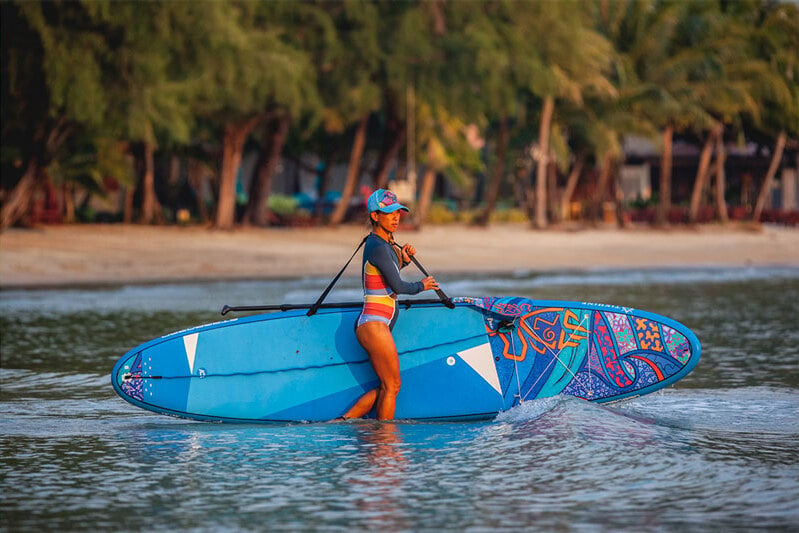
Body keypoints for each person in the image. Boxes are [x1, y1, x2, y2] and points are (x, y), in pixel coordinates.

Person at [341, 189, 439, 421]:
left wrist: (402, 260)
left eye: (398, 212)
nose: (395, 217)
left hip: (375, 324)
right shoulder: (379, 246)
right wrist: (422, 286)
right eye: (389, 213)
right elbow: (398, 287)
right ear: (375, 216)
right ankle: (385, 439)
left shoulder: (381, 246)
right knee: (392, 385)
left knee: (388, 385)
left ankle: (346, 420)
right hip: (374, 325)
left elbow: (385, 280)